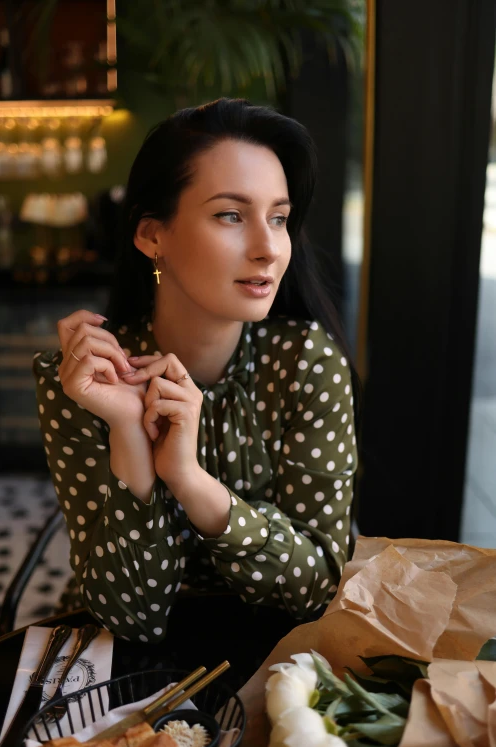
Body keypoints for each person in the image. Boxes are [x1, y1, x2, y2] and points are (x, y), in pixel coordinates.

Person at [33, 97, 358, 645]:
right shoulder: (84, 382)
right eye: (231, 215)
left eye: (278, 218)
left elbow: (321, 586)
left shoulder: (306, 362)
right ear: (151, 235)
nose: (268, 249)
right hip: (128, 671)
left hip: (280, 655)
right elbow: (132, 617)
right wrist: (129, 434)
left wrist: (190, 481)